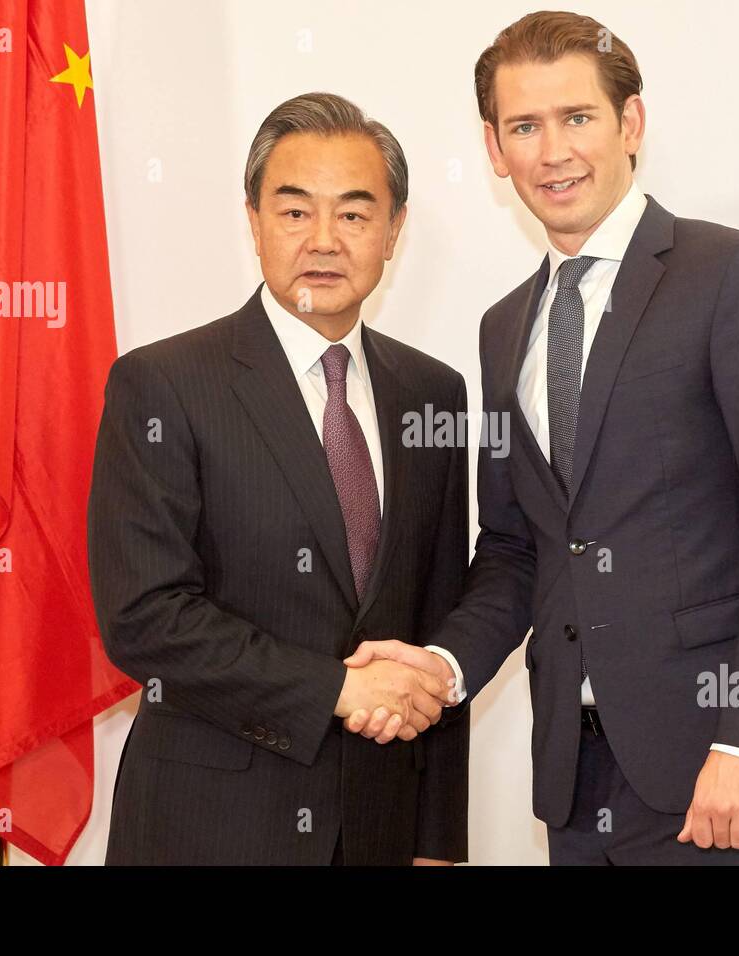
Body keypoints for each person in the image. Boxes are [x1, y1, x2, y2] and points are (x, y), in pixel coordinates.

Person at [346, 10, 739, 865]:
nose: (553, 151)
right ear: (494, 149)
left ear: (630, 123)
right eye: (524, 127)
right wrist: (443, 667)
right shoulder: (504, 329)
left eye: (577, 118)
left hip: (715, 768)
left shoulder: (736, 276)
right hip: (573, 780)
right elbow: (515, 548)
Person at [89, 92, 470, 865]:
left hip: (380, 828)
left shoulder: (434, 394)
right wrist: (334, 688)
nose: (324, 240)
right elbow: (144, 616)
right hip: (210, 826)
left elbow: (437, 621)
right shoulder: (164, 384)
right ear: (254, 221)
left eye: (355, 215)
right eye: (295, 212)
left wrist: (436, 842)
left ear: (394, 230)